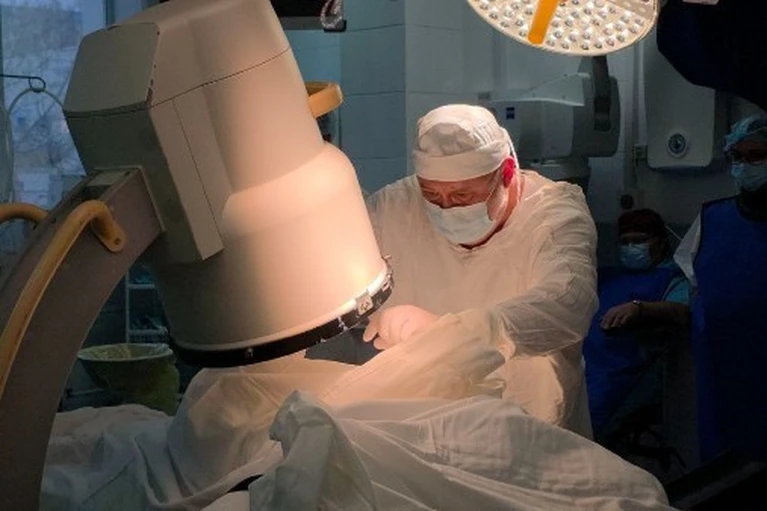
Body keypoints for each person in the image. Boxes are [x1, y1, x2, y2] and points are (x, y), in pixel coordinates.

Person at [360, 104, 599, 435]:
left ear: (507, 173)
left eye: (462, 196)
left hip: (529, 427)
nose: (446, 208)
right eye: (432, 196)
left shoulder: (552, 215)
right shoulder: (396, 206)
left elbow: (569, 304)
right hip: (424, 426)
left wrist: (458, 331)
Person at [675, 115, 767, 462]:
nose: (744, 166)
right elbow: (691, 280)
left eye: (756, 156)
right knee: (724, 459)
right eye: (737, 157)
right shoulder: (713, 218)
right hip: (721, 362)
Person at [583, 208, 690, 443]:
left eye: (639, 241)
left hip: (622, 371)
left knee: (588, 420)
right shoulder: (605, 276)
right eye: (625, 242)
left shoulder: (672, 278)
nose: (631, 247)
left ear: (660, 242)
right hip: (583, 363)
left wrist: (639, 309)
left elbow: (681, 311)